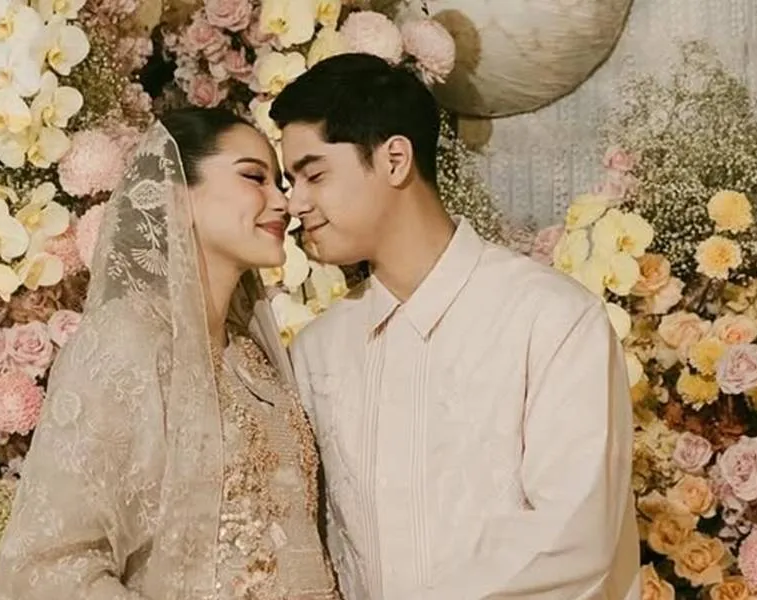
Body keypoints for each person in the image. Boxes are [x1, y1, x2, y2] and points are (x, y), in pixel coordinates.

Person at [271, 53, 641, 600]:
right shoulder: (318, 352)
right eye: (289, 180)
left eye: (314, 174)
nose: (295, 203)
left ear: (395, 159)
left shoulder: (551, 319)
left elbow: (573, 537)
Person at [0, 108, 340, 600]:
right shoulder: (127, 342)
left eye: (279, 184)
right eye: (254, 177)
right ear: (177, 195)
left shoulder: (253, 362)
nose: (282, 202)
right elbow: (47, 566)